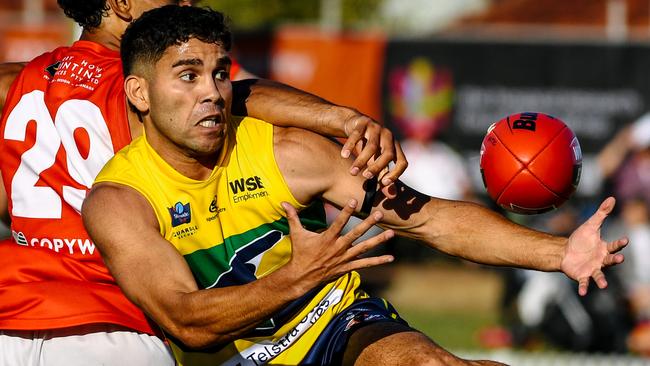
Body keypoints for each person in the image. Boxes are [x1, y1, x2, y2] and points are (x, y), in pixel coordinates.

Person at [82, 6, 629, 365]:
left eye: (221, 73)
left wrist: (561, 252)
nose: (213, 92)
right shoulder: (119, 200)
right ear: (139, 93)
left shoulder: (286, 152)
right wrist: (298, 275)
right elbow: (186, 322)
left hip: (334, 325)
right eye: (188, 75)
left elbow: (429, 218)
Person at [0, 1, 407, 365]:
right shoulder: (141, 80)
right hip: (111, 321)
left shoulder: (19, 82)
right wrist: (340, 118)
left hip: (11, 314)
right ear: (121, 4)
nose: (187, 3)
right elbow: (246, 95)